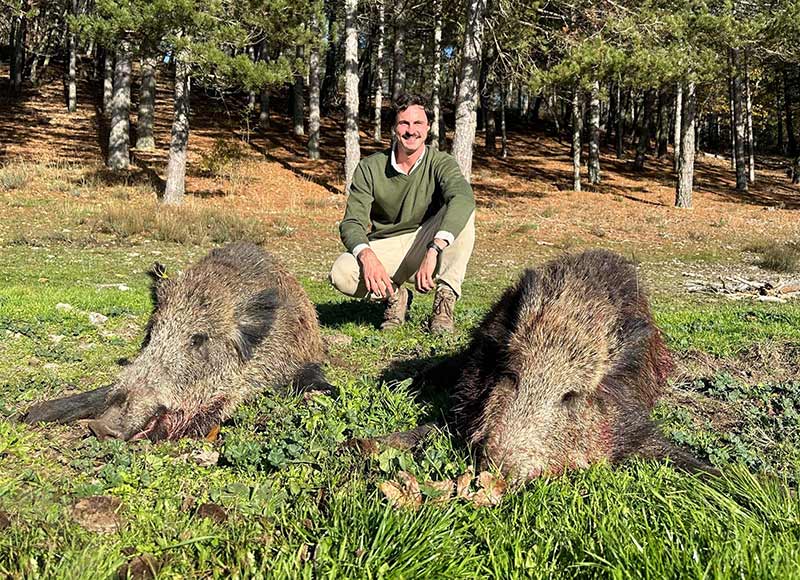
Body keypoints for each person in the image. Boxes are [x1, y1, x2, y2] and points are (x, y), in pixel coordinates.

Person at [329, 93, 476, 333]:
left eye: (418, 123)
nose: (411, 130)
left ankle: (444, 302)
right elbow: (352, 222)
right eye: (404, 123)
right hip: (388, 244)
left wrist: (434, 248)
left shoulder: (441, 163)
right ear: (394, 128)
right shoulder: (370, 167)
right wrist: (367, 256)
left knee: (463, 209)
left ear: (428, 128)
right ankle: (396, 295)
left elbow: (462, 197)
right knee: (341, 273)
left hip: (427, 240)